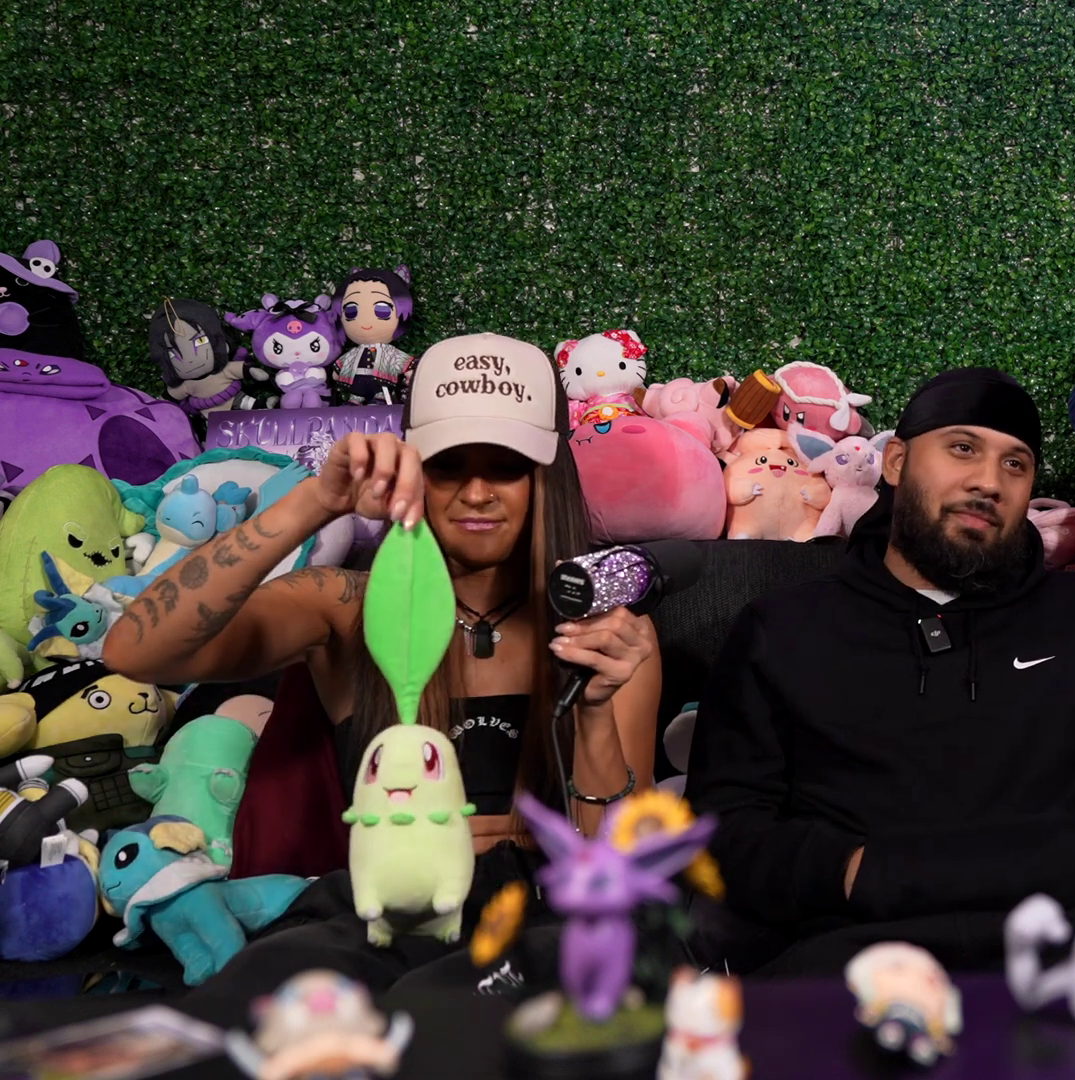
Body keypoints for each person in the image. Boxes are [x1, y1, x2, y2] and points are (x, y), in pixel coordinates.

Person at [101, 332, 661, 997]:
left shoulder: (607, 634)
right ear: (412, 467)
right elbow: (135, 650)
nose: (476, 493)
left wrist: (592, 711)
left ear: (546, 477)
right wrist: (317, 500)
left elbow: (620, 867)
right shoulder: (344, 606)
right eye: (447, 466)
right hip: (385, 922)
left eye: (506, 466)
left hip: (547, 921)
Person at [687, 367, 1075, 975]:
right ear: (896, 462)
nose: (989, 481)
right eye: (963, 448)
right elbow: (724, 824)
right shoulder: (783, 627)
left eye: (1015, 464)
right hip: (851, 963)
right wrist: (854, 873)